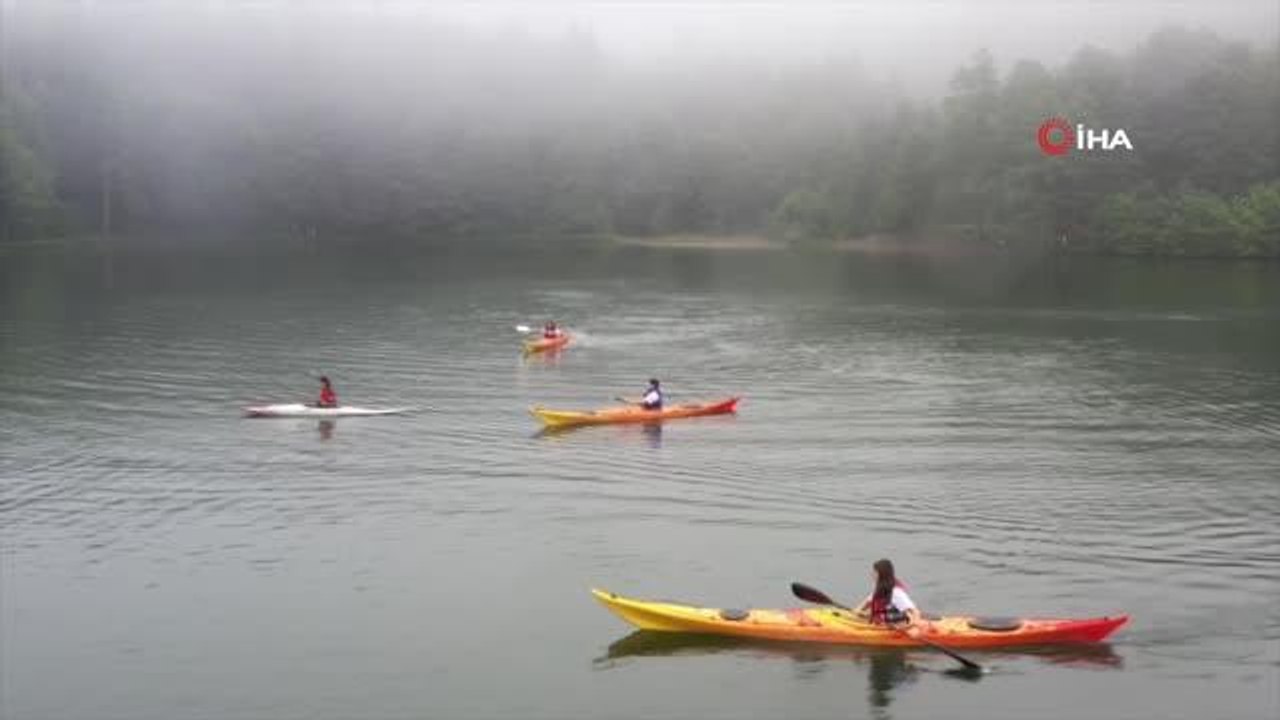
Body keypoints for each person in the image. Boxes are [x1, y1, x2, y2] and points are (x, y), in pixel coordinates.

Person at [856, 559, 922, 633]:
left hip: (898, 627)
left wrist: (908, 626)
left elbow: (915, 612)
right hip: (881, 623)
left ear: (882, 574)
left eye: (875, 572)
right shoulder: (881, 588)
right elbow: (867, 602)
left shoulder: (896, 592)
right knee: (868, 612)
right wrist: (857, 612)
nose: (872, 574)